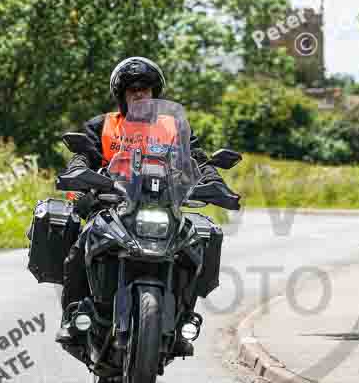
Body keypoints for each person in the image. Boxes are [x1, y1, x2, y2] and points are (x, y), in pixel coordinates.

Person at [56, 56, 239, 351]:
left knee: (193, 246)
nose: (139, 93)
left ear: (155, 93)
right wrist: (78, 170)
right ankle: (72, 315)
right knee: (81, 246)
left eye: (145, 88)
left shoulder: (174, 126)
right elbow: (85, 155)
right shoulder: (103, 125)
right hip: (112, 205)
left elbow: (197, 158)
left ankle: (182, 321)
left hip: (162, 205)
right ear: (122, 96)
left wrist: (212, 179)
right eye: (132, 89)